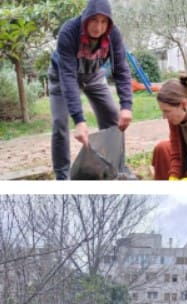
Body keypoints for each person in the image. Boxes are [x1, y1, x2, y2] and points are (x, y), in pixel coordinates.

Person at [48, 0, 133, 180]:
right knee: (59, 123)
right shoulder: (69, 32)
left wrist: (126, 105)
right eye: (94, 20)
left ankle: (115, 169)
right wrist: (79, 119)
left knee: (113, 117)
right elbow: (68, 77)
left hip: (93, 75)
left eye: (104, 22)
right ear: (86, 18)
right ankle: (62, 177)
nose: (98, 27)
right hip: (62, 76)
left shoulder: (113, 35)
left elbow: (121, 69)